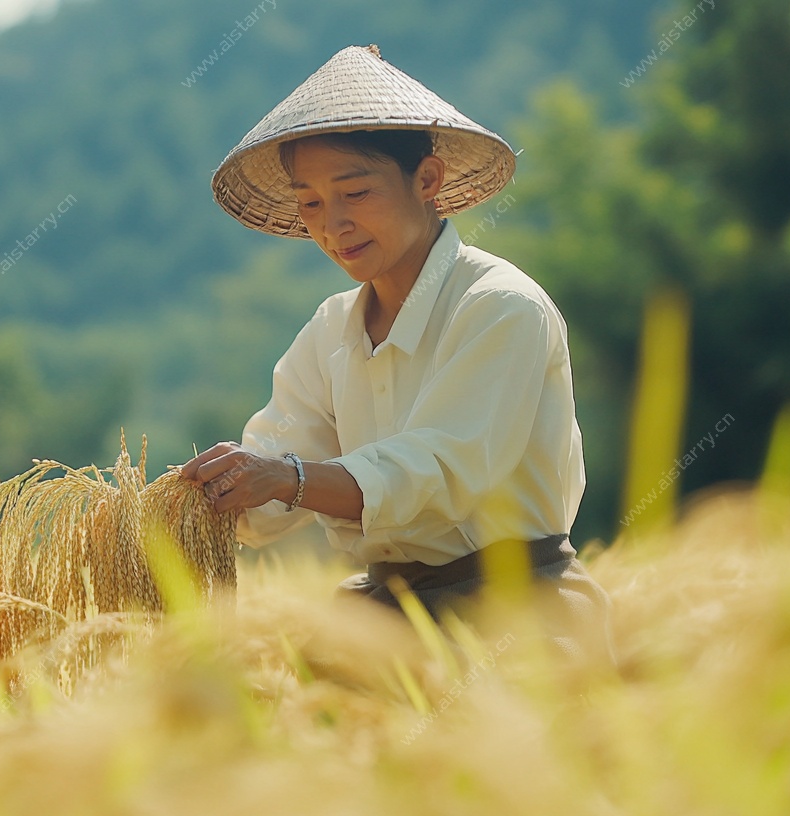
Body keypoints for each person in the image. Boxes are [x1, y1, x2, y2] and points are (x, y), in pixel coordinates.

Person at [180, 44, 612, 660]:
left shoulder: (499, 307)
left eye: (355, 193)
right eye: (311, 203)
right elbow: (275, 469)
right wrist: (201, 500)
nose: (334, 225)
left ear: (427, 180)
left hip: (518, 618)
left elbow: (440, 471)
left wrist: (283, 478)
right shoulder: (331, 330)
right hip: (383, 620)